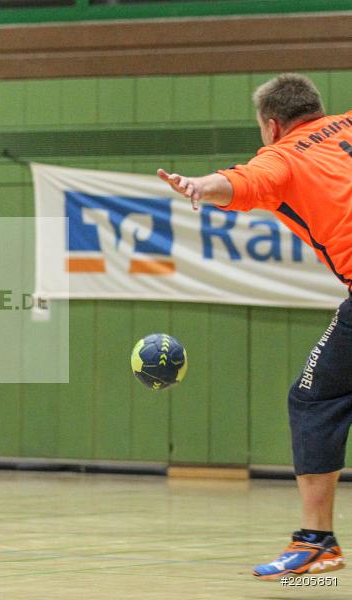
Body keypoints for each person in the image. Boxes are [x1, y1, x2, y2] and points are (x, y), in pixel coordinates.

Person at [158, 73, 352, 580]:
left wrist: (198, 186)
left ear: (271, 125)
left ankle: (316, 543)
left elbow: (239, 182)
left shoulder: (282, 158)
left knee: (314, 398)